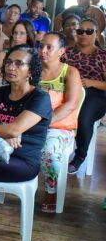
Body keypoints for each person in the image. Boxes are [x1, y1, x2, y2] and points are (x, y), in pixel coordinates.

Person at [0, 44, 52, 189]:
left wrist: (8, 131)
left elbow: (14, 130)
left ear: (30, 71)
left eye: (18, 63)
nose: (11, 67)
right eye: (8, 62)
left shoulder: (40, 98)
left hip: (21, 160)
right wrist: (3, 132)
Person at [38, 32, 83, 212]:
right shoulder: (33, 69)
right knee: (0, 141)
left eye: (49, 47)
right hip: (30, 123)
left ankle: (51, 189)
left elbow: (71, 104)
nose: (43, 50)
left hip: (59, 127)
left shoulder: (70, 72)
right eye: (41, 46)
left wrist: (43, 123)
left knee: (49, 151)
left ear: (62, 51)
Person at [65, 17, 106, 173]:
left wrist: (91, 82)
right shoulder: (67, 53)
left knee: (82, 116)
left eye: (89, 31)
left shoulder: (102, 56)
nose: (84, 34)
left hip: (95, 94)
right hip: (68, 91)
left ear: (97, 33)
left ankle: (80, 155)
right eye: (80, 31)